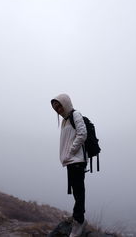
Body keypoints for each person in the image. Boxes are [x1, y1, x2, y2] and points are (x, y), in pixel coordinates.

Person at [51, 93, 87, 237]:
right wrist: (67, 156)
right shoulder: (65, 121)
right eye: (55, 108)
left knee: (79, 192)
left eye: (59, 105)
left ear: (65, 103)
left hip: (77, 161)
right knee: (76, 191)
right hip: (71, 161)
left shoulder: (75, 115)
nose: (58, 109)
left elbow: (82, 134)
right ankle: (78, 218)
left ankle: (79, 222)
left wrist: (71, 151)